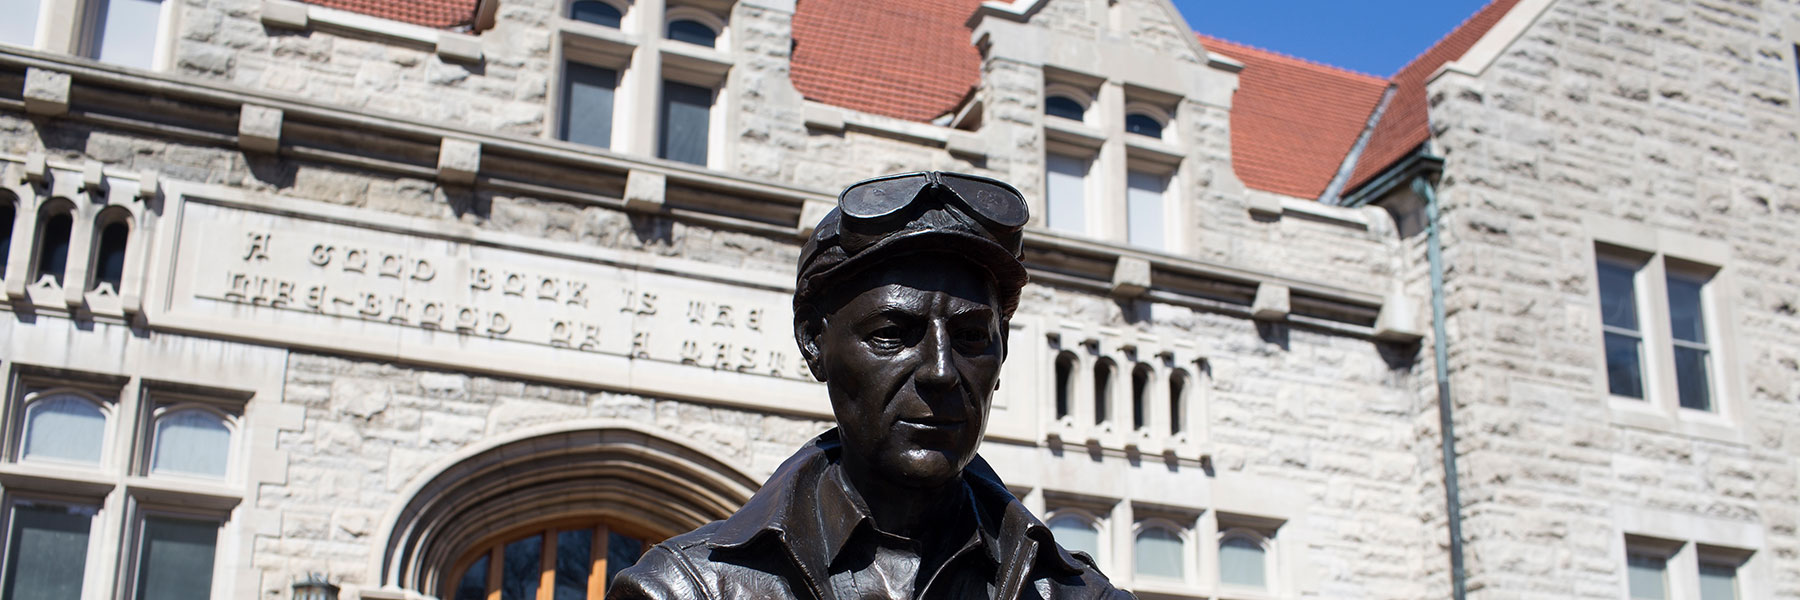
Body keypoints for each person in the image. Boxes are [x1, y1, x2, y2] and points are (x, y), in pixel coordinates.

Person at [607, 172, 1134, 600]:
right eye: (892, 335)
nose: (941, 371)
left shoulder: (1077, 596)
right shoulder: (689, 591)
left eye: (973, 337)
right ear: (814, 342)